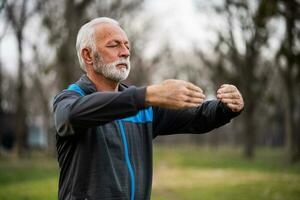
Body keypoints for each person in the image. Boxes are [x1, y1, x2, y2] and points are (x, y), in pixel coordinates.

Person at [53, 17, 244, 200]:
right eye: (114, 45)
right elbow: (70, 116)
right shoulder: (70, 98)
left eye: (127, 45)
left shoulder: (144, 106)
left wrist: (225, 107)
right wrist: (147, 95)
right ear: (88, 55)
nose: (125, 52)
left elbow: (198, 117)